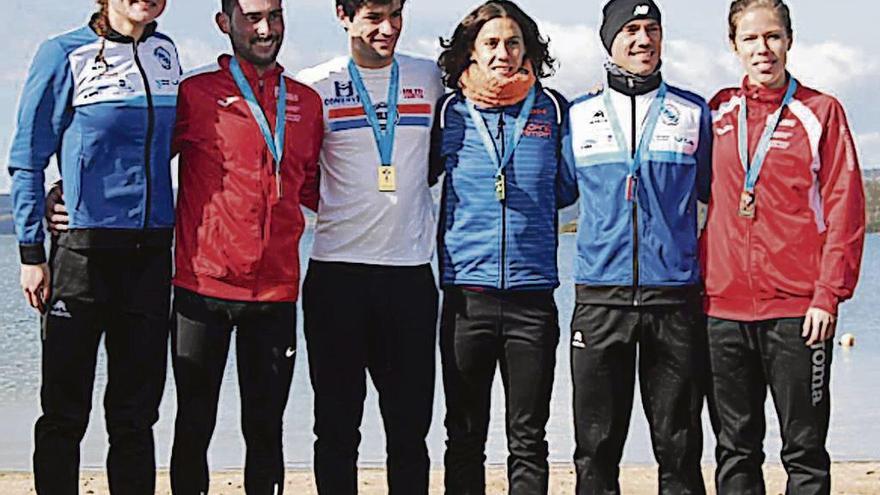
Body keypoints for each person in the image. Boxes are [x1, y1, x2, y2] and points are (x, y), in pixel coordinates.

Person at [8, 0, 179, 493]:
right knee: (64, 410)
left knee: (136, 413)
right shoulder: (63, 54)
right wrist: (31, 252)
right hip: (82, 254)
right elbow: (27, 158)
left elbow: (158, 141)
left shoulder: (166, 53)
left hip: (149, 254)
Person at [702, 1, 866, 493]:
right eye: (750, 39)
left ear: (790, 40)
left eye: (772, 36)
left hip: (799, 311)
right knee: (735, 449)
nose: (763, 49)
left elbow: (845, 210)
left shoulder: (821, 112)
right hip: (722, 312)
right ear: (734, 46)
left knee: (804, 451)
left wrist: (827, 294)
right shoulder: (716, 111)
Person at [168, 0, 322, 493]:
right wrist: (61, 189)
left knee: (265, 430)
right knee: (194, 424)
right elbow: (138, 159)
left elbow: (318, 187)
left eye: (274, 16)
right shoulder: (194, 94)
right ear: (224, 23)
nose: (265, 28)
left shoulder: (306, 102)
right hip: (202, 288)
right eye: (252, 17)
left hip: (275, 293)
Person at [294, 0, 444, 493]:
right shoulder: (313, 85)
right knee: (336, 430)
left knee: (409, 433)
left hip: (410, 276)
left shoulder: (430, 76)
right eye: (373, 17)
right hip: (337, 273)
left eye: (395, 15)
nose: (388, 29)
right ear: (343, 14)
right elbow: (295, 173)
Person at [563, 1, 712, 493]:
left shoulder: (693, 112)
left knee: (680, 445)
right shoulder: (578, 114)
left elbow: (718, 196)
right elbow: (555, 193)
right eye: (630, 30)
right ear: (610, 41)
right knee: (595, 447)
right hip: (600, 299)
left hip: (674, 301)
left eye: (652, 29)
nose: (643, 39)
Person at [430, 1, 576, 493]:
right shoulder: (449, 109)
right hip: (466, 298)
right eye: (491, 43)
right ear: (471, 49)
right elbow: (419, 178)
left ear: (528, 47)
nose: (503, 53)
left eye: (513, 42)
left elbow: (569, 186)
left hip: (532, 300)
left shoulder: (553, 108)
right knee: (464, 435)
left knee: (528, 439)